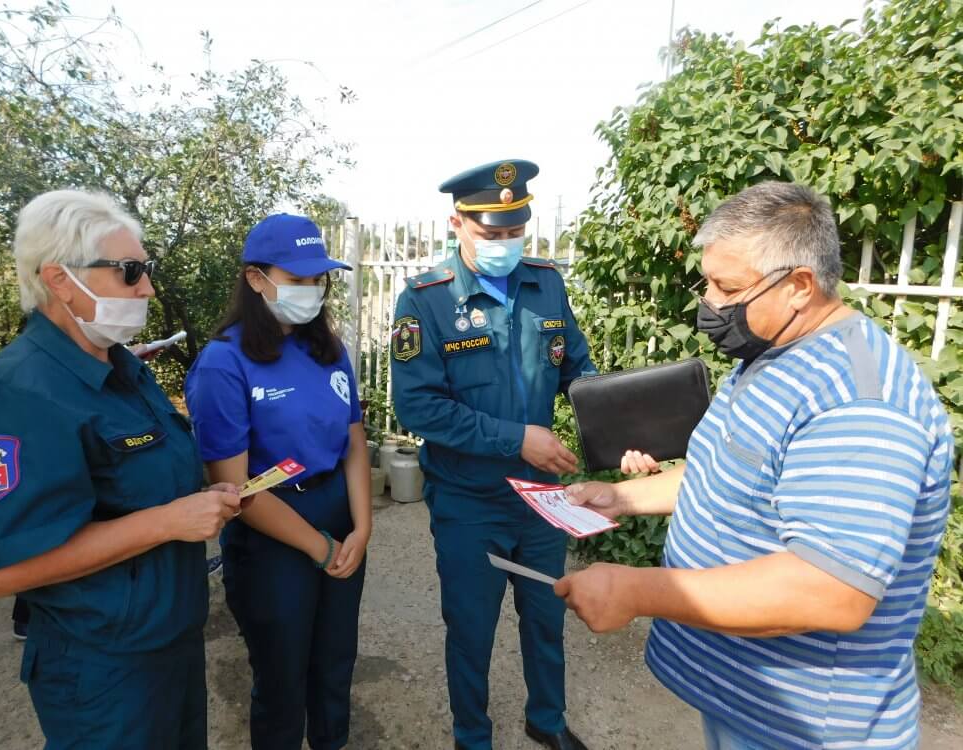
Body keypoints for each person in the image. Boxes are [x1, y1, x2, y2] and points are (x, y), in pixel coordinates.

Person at [559, 182, 954, 750]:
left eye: (728, 287)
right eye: (708, 283)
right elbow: (726, 474)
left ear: (798, 286)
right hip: (751, 704)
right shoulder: (772, 355)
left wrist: (636, 590)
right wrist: (621, 498)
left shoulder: (857, 401)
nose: (710, 304)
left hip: (806, 727)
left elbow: (829, 590)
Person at [0, 189, 241, 749]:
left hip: (170, 644)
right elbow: (6, 572)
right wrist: (169, 522)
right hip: (103, 669)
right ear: (61, 279)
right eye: (130, 272)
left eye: (146, 269)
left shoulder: (121, 368)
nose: (147, 288)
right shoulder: (19, 392)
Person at [391, 160, 597, 750]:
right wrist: (517, 438)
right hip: (468, 500)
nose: (505, 245)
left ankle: (547, 722)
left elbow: (577, 369)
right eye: (491, 233)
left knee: (546, 616)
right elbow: (420, 410)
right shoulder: (425, 301)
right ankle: (471, 736)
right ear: (457, 223)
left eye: (514, 232)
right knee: (472, 628)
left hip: (540, 497)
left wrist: (616, 423)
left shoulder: (545, 284)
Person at [184, 214, 371, 750]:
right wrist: (321, 547)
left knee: (335, 663)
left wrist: (363, 527)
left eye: (318, 280)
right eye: (297, 278)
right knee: (283, 678)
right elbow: (234, 488)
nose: (310, 291)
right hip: (271, 532)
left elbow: (354, 441)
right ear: (256, 278)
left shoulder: (328, 350)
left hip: (339, 511)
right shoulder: (224, 364)